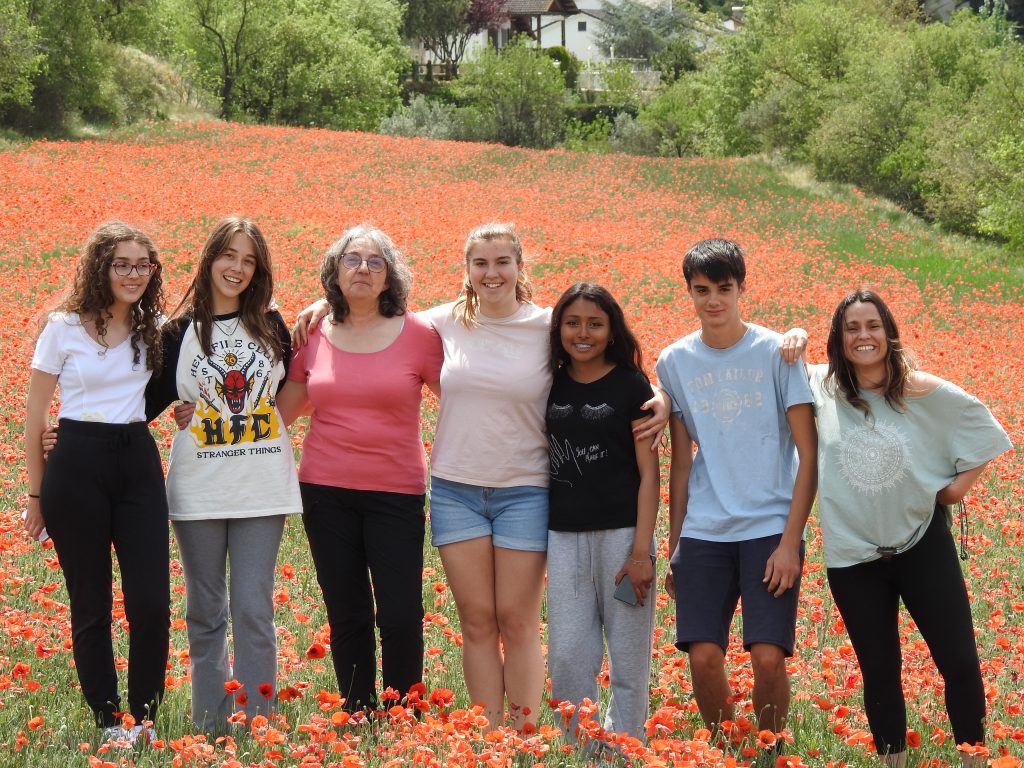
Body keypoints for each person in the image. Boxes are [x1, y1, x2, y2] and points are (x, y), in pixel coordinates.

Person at [294, 223, 668, 731]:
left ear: (519, 267)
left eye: (502, 262)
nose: (492, 273)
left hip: (526, 488)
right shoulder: (439, 324)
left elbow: (610, 357)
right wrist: (322, 306)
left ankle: (525, 730)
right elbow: (370, 318)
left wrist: (661, 396)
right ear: (467, 271)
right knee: (476, 621)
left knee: (516, 620)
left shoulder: (547, 326)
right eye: (480, 264)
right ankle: (490, 734)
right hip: (456, 489)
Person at [806, 289, 1011, 768]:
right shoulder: (820, 386)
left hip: (922, 543)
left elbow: (983, 425)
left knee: (958, 661)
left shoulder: (919, 388)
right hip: (853, 556)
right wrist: (795, 335)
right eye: (852, 328)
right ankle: (892, 763)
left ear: (888, 332)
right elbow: (776, 359)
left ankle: (973, 760)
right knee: (879, 671)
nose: (863, 336)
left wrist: (956, 490)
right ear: (838, 338)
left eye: (872, 326)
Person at [655, 238, 817, 744]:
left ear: (742, 288)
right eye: (701, 290)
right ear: (688, 292)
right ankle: (728, 751)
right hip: (705, 528)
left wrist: (790, 542)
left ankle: (766, 749)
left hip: (769, 526)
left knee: (768, 658)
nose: (713, 301)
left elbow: (808, 455)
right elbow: (681, 464)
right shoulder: (675, 361)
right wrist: (674, 543)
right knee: (703, 658)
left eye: (724, 289)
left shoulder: (777, 351)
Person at [275, 225, 443, 713]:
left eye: (375, 261)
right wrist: (199, 416)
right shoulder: (313, 334)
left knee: (400, 612)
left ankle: (403, 712)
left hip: (396, 492)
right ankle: (357, 709)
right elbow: (281, 412)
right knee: (346, 611)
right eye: (352, 260)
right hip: (325, 491)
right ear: (334, 272)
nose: (363, 269)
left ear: (391, 276)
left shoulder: (420, 335)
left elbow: (460, 398)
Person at [145, 217, 301, 731]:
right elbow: (136, 403)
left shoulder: (273, 326)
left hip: (261, 489)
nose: (236, 267)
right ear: (210, 259)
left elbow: (297, 389)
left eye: (248, 259)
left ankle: (259, 723)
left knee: (254, 608)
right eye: (228, 256)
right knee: (205, 611)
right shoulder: (178, 332)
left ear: (258, 270)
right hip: (198, 491)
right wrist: (68, 431)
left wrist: (323, 309)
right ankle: (209, 726)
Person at [23, 222, 170, 745]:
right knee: (91, 601)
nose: (133, 274)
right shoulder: (62, 326)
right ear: (100, 267)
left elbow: (191, 369)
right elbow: (36, 414)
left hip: (137, 460)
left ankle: (146, 717)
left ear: (152, 273)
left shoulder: (154, 324)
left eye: (142, 266)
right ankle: (110, 723)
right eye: (122, 264)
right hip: (75, 462)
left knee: (151, 601)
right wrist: (36, 496)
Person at [544, 282, 659, 752]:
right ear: (559, 329)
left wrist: (640, 552)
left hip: (623, 537)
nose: (583, 332)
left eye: (595, 323)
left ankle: (626, 750)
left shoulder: (631, 384)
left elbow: (649, 474)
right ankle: (583, 752)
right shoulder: (549, 379)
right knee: (569, 656)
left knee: (629, 659)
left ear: (612, 329)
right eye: (573, 322)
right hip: (564, 536)